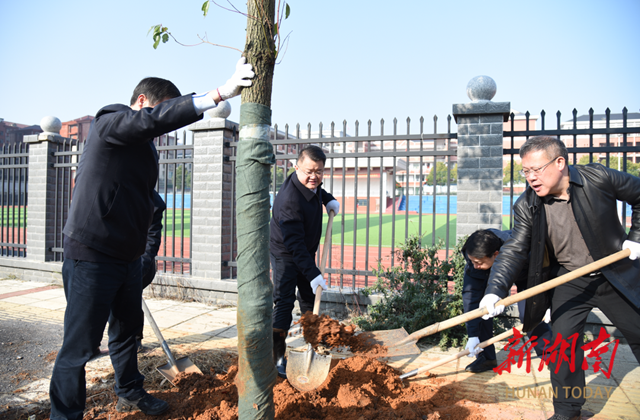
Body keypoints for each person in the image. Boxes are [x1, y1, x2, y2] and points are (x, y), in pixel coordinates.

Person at [49, 57, 255, 420]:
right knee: (78, 349)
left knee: (128, 335)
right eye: (162, 113)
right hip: (92, 256)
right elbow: (149, 122)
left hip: (126, 260)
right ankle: (64, 415)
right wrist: (218, 94)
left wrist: (147, 255)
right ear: (142, 102)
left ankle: (129, 392)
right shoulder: (109, 123)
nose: (161, 127)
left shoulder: (146, 149)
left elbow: (151, 205)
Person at [478, 136, 640, 420]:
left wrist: (636, 238)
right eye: (525, 171)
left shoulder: (597, 177)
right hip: (571, 278)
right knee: (562, 347)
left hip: (614, 273)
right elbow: (515, 249)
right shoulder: (527, 204)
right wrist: (495, 291)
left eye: (536, 170)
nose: (530, 178)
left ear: (560, 163)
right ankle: (567, 411)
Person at [269, 145, 340, 378]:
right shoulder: (289, 201)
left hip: (303, 251)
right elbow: (294, 246)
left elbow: (318, 189)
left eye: (319, 171)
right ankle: (277, 357)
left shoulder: (311, 183)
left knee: (310, 298)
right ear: (296, 166)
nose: (314, 176)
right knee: (284, 304)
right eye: (309, 171)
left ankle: (314, 345)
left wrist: (328, 200)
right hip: (286, 254)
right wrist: (313, 273)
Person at [461, 229, 552, 373]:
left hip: (526, 274)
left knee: (530, 314)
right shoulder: (476, 261)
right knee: (483, 310)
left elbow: (544, 271)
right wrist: (473, 334)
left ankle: (552, 357)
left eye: (478, 262)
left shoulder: (523, 249)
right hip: (492, 272)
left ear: (495, 255)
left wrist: (547, 299)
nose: (474, 266)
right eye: (472, 261)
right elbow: (471, 297)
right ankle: (487, 357)